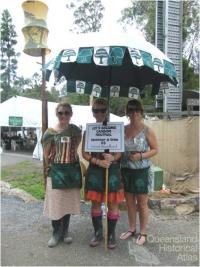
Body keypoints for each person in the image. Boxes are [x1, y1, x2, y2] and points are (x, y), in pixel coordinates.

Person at [82, 98, 124, 249]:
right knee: (95, 203)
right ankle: (98, 232)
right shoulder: (88, 131)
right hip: (95, 170)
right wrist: (97, 161)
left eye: (102, 110)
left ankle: (111, 234)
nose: (99, 113)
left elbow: (120, 151)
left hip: (111, 170)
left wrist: (113, 157)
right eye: (95, 110)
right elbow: (84, 153)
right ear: (92, 112)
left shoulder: (116, 129)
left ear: (107, 111)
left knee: (113, 203)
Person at [42, 102, 82, 248]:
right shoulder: (49, 133)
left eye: (66, 112)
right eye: (60, 113)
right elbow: (46, 155)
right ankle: (55, 233)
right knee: (56, 204)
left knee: (67, 203)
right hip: (56, 172)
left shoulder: (76, 131)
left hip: (71, 171)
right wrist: (53, 167)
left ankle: (65, 231)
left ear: (71, 114)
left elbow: (76, 148)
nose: (63, 115)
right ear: (56, 114)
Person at [120, 99, 158, 245]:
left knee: (142, 203)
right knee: (129, 202)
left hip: (142, 171)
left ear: (141, 111)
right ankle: (131, 229)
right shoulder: (122, 129)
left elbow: (155, 150)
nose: (134, 112)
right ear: (127, 112)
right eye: (130, 109)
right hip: (126, 170)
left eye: (136, 109)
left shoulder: (147, 130)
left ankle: (143, 232)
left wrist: (140, 156)